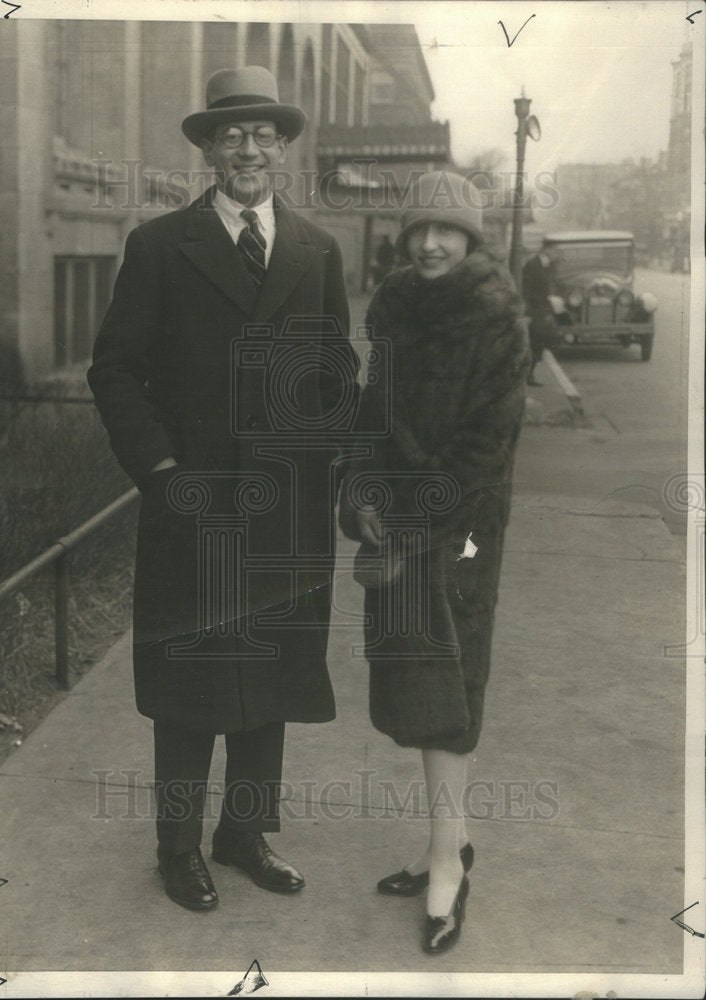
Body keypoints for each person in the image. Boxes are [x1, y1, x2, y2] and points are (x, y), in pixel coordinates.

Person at [88, 66, 356, 912]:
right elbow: (115, 370)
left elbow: (335, 371)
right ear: (208, 148)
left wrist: (332, 462)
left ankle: (243, 833)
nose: (249, 148)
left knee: (269, 677)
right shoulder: (161, 244)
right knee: (188, 682)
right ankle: (177, 847)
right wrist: (162, 472)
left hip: (286, 508)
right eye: (231, 134)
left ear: (283, 148)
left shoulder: (316, 249)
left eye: (264, 134)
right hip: (191, 506)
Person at [339, 170, 529, 954]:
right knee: (419, 679)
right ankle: (443, 845)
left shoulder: (498, 316)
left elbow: (490, 442)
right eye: (418, 230)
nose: (429, 243)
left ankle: (448, 863)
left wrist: (419, 506)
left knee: (452, 686)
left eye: (446, 231)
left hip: (463, 527)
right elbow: (371, 411)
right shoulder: (393, 308)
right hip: (403, 521)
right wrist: (361, 489)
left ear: (472, 237)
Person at [521, 247, 558, 385]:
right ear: (546, 251)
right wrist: (527, 312)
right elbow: (526, 289)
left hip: (543, 308)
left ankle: (530, 373)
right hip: (534, 310)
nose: (557, 254)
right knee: (535, 341)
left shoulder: (547, 265)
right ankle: (528, 375)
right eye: (555, 251)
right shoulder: (532, 265)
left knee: (543, 339)